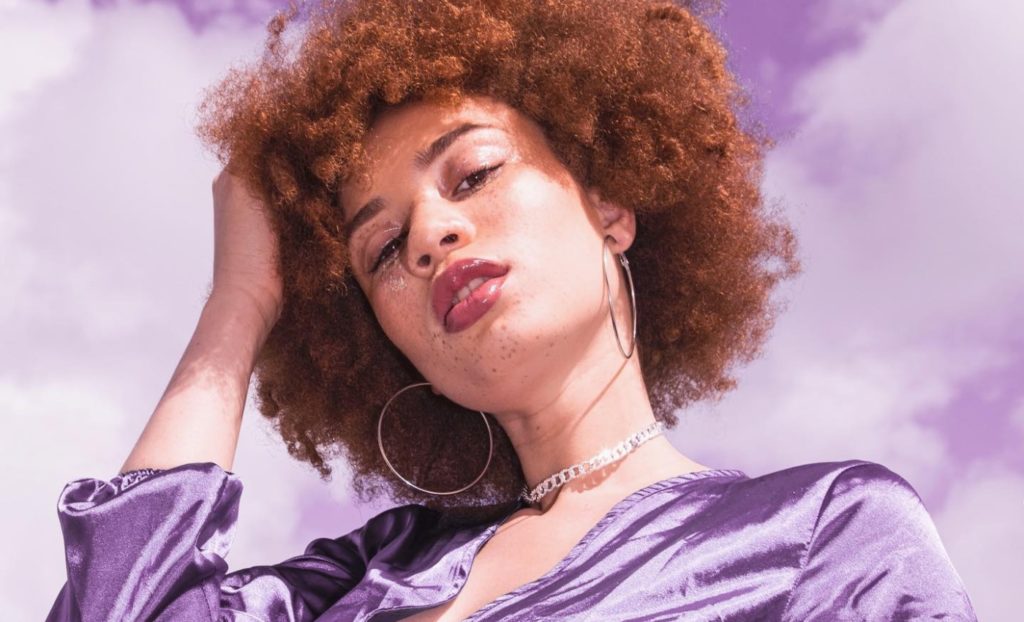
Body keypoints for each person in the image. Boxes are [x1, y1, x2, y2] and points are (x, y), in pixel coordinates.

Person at [47, 0, 977, 620]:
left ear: (610, 206)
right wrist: (240, 302)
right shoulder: (371, 575)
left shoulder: (825, 532)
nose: (430, 236)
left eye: (476, 172)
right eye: (381, 249)